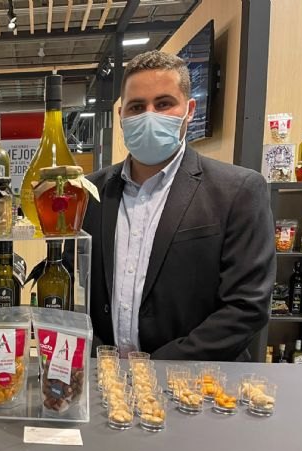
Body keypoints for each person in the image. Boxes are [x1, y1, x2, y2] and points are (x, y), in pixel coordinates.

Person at [84, 50, 275, 361]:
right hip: (105, 377)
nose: (149, 116)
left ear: (189, 110)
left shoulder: (238, 191)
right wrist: (99, 358)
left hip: (195, 379)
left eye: (163, 104)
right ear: (121, 115)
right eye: (136, 107)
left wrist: (154, 370)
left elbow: (246, 306)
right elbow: (72, 289)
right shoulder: (90, 192)